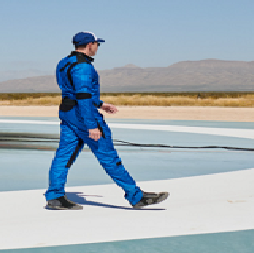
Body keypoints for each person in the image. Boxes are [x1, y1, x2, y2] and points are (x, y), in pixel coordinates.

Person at [45, 32, 169, 210]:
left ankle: (55, 196)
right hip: (82, 115)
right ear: (89, 45)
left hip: (68, 113)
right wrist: (91, 125)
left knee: (63, 155)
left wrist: (101, 104)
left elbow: (72, 91)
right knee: (108, 156)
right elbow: (82, 95)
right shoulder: (83, 67)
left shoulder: (64, 63)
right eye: (97, 44)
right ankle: (136, 196)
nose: (97, 48)